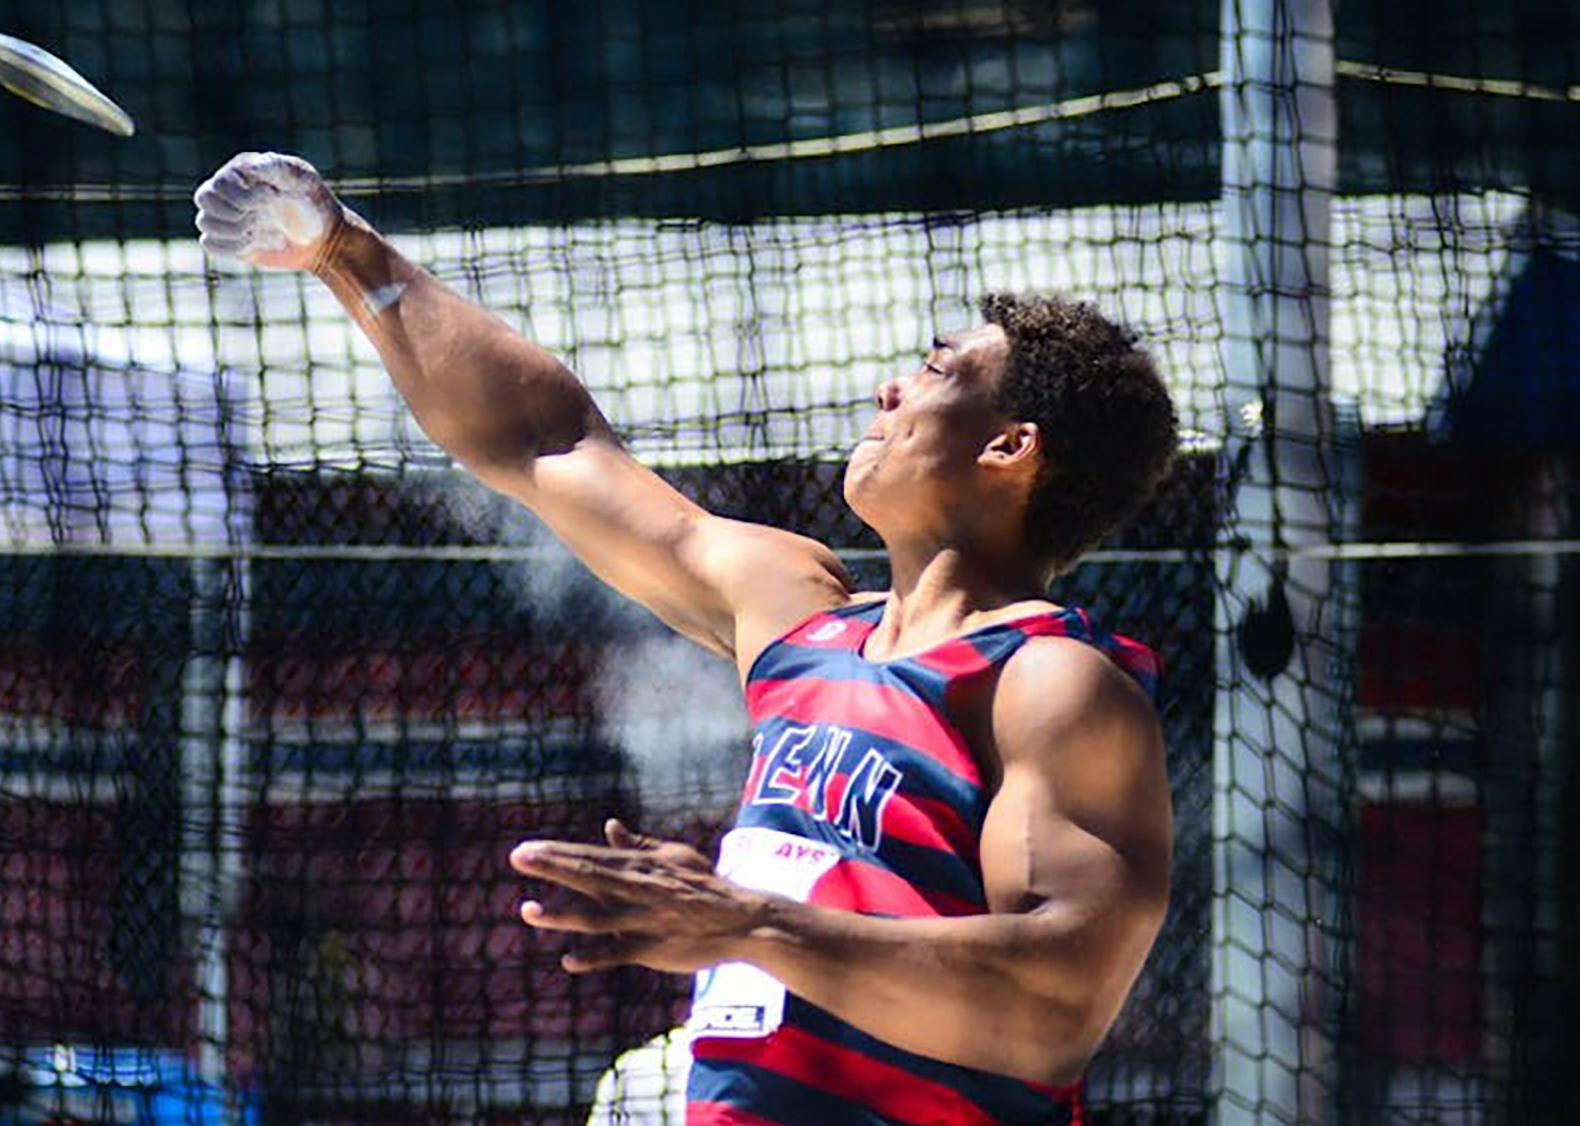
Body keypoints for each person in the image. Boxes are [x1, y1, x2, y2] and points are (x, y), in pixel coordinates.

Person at [196, 153, 1178, 1126]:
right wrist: (342, 251)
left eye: (931, 371)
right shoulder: (799, 614)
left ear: (1010, 447)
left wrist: (746, 923)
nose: (889, 389)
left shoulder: (1050, 680)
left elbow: (1050, 1010)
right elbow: (548, 444)